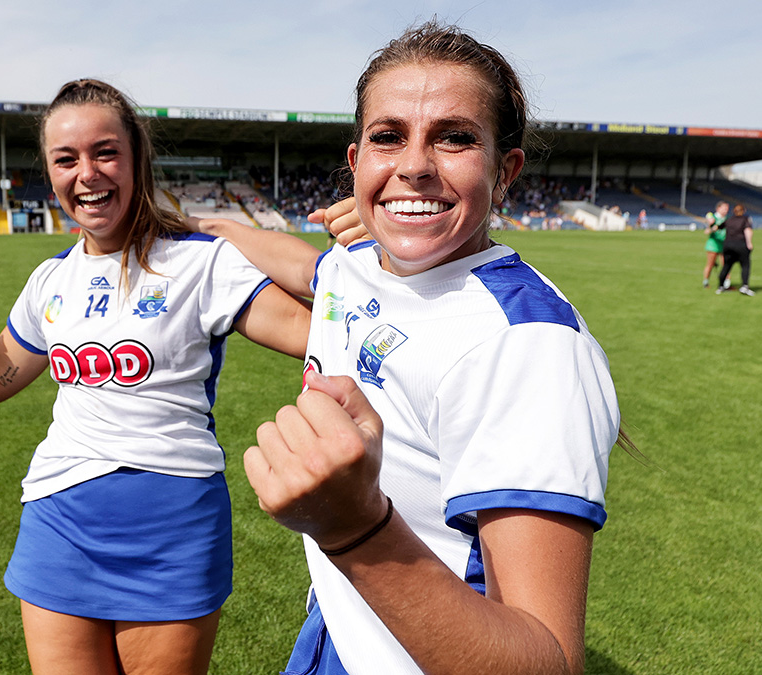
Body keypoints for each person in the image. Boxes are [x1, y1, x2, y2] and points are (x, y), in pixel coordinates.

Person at [192, 20, 622, 675]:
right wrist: (212, 227)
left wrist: (355, 526)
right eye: (388, 137)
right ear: (355, 160)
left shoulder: (528, 347)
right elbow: (306, 268)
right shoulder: (358, 264)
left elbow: (548, 661)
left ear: (504, 171)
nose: (416, 164)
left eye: (454, 138)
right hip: (338, 626)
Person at [0, 78, 310, 675]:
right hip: (58, 518)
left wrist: (290, 247)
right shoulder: (49, 280)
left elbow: (322, 335)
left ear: (137, 159)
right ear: (52, 172)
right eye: (67, 159)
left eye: (105, 152)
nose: (87, 174)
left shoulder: (198, 262)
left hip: (171, 524)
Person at [715, 203, 755, 296]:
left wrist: (710, 228)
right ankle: (744, 286)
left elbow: (718, 227)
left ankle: (721, 286)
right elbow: (747, 231)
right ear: (743, 211)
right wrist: (749, 243)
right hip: (740, 244)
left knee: (727, 266)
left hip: (728, 245)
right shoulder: (745, 219)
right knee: (745, 265)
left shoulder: (729, 219)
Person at [703, 201, 729, 288]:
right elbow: (706, 231)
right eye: (724, 208)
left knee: (726, 265)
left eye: (727, 209)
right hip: (713, 244)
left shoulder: (727, 219)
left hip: (724, 244)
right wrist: (712, 228)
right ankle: (706, 282)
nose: (726, 210)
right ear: (718, 208)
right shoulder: (713, 218)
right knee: (710, 264)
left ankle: (726, 283)